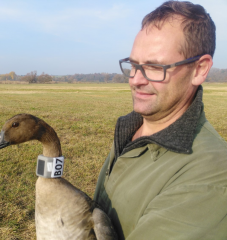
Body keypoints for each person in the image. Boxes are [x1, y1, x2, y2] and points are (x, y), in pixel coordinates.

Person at [94, 1, 227, 239]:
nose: (135, 80)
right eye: (134, 65)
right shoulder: (133, 128)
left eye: (154, 67)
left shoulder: (210, 178)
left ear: (200, 69)